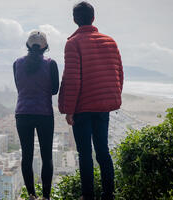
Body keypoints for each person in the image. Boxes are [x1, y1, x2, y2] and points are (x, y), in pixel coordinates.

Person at [58, 2, 123, 200]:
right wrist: (112, 97)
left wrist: (69, 110)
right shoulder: (110, 41)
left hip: (82, 108)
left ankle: (88, 196)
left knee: (85, 154)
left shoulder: (73, 43)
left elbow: (72, 79)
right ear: (93, 18)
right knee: (103, 151)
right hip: (103, 108)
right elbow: (119, 73)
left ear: (75, 20)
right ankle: (108, 194)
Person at [13, 31, 59, 200]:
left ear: (27, 45)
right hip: (44, 114)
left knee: (27, 155)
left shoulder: (17, 63)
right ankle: (46, 197)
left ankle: (31, 195)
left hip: (23, 113)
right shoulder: (51, 64)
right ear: (45, 47)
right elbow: (54, 90)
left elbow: (19, 86)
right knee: (46, 156)